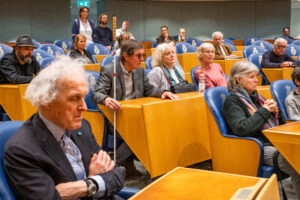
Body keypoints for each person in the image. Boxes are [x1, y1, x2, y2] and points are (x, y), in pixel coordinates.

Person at [4, 56, 125, 200]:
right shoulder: (21, 150)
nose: (85, 107)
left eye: (84, 97)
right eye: (75, 98)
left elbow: (118, 173)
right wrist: (96, 182)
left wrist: (87, 185)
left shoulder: (83, 127)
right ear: (46, 100)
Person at [92, 40, 177, 175]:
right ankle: (110, 166)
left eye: (143, 55)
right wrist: (106, 99)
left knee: (158, 126)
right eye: (138, 56)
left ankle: (157, 168)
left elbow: (149, 89)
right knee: (141, 133)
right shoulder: (109, 70)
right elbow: (97, 94)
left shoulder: (140, 71)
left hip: (136, 116)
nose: (142, 59)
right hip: (115, 118)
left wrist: (163, 92)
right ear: (126, 56)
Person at [222, 61, 300, 199]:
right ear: (239, 79)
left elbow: (279, 124)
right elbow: (242, 128)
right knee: (295, 160)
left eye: (256, 76)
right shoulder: (232, 101)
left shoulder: (257, 97)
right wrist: (264, 111)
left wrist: (276, 112)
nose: (256, 79)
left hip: (270, 141)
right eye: (251, 77)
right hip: (257, 146)